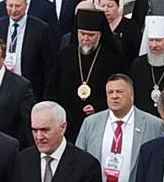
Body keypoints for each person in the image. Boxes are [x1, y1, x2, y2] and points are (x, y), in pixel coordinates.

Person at [51, 8, 123, 136]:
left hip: (100, 119)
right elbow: (52, 88)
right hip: (68, 120)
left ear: (100, 35)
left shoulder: (113, 59)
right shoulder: (64, 56)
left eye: (91, 35)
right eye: (82, 34)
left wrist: (98, 106)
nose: (85, 38)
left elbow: (119, 89)